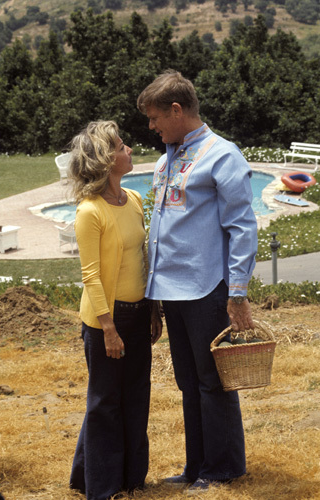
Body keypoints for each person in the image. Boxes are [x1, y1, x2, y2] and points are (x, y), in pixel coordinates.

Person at [137, 70, 258, 494]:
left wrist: (238, 293)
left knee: (213, 381)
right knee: (189, 381)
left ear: (176, 110)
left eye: (155, 118)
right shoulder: (166, 157)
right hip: (171, 290)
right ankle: (196, 465)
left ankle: (223, 467)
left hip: (208, 288)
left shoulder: (222, 155)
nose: (151, 127)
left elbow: (242, 228)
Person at [68, 120, 162, 500]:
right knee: (105, 402)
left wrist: (154, 309)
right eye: (122, 146)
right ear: (106, 159)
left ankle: (131, 481)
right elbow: (90, 275)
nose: (129, 150)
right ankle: (102, 488)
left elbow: (143, 259)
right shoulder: (89, 212)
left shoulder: (135, 200)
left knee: (137, 395)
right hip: (105, 320)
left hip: (139, 313)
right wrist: (108, 327)